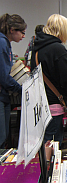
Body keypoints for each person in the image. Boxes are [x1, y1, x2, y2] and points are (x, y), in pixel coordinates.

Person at [31, 14, 67, 146]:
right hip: (54, 103)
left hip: (41, 103)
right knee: (53, 144)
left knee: (44, 142)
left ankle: (44, 165)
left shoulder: (37, 48)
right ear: (61, 29)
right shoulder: (57, 48)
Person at [0, 13, 27, 148]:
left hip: (4, 95)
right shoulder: (2, 42)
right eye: (22, 32)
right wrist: (21, 89)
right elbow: (4, 76)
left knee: (4, 134)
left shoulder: (5, 42)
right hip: (1, 94)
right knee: (1, 136)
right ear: (12, 30)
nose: (23, 36)